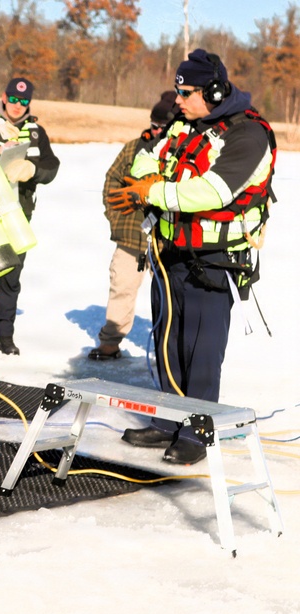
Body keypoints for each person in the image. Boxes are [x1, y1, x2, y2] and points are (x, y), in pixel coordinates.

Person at [107, 49, 276, 464]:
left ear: (214, 92)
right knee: (169, 340)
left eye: (186, 93)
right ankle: (167, 421)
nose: (177, 100)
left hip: (214, 261)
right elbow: (153, 154)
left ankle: (198, 433)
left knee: (201, 349)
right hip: (170, 254)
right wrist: (146, 175)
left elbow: (212, 191)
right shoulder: (189, 124)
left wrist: (153, 191)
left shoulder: (248, 135)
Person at [0, 76, 59, 355]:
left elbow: (52, 166)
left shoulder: (36, 132)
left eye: (24, 101)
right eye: (14, 100)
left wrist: (32, 171)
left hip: (18, 214)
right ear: (4, 98)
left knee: (12, 277)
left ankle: (4, 337)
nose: (18, 106)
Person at [88, 91, 177, 361]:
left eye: (164, 127)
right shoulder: (133, 147)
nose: (157, 131)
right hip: (130, 238)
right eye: (154, 125)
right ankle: (110, 343)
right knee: (121, 289)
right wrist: (117, 219)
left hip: (166, 242)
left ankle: (168, 349)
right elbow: (111, 182)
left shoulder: (181, 153)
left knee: (169, 297)